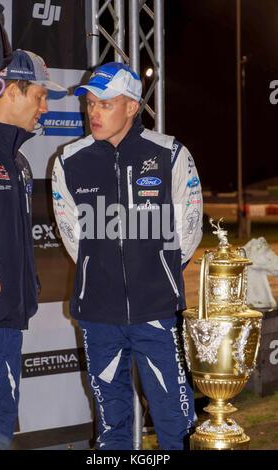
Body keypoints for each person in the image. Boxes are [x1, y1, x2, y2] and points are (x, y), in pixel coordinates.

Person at [52, 62, 203, 450]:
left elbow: (189, 227)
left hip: (157, 312)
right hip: (98, 316)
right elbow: (74, 236)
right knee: (112, 427)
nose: (94, 112)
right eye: (90, 104)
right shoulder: (69, 161)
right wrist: (97, 269)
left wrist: (159, 272)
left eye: (105, 103)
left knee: (176, 422)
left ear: (132, 106)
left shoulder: (170, 153)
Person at [0, 49, 67, 450]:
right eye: (40, 97)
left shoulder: (19, 162)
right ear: (13, 91)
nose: (45, 109)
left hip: (9, 322)